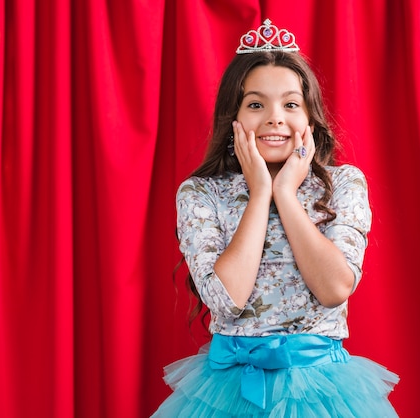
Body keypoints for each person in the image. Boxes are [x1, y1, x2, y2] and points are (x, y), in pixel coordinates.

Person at [151, 19, 399, 417]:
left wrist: (285, 194)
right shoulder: (201, 194)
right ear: (232, 119)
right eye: (255, 104)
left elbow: (336, 287)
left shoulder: (344, 184)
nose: (274, 118)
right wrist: (260, 192)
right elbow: (225, 300)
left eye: (290, 104)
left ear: (311, 118)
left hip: (323, 392)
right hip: (228, 392)